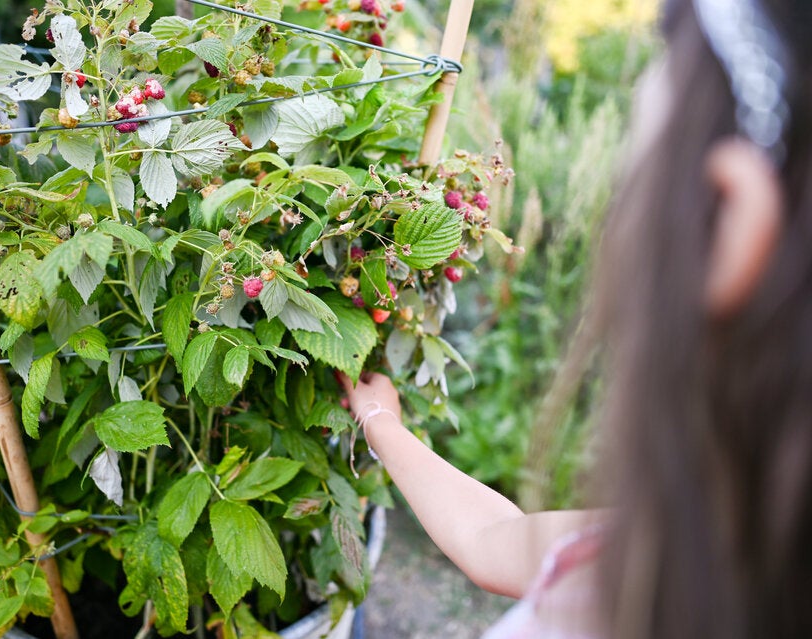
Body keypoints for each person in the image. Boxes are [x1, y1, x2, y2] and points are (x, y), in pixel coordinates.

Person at [339, 0, 812, 637]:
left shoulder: (649, 577)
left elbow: (494, 541)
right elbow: (490, 540)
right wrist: (383, 425)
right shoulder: (689, 550)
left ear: (725, 219)